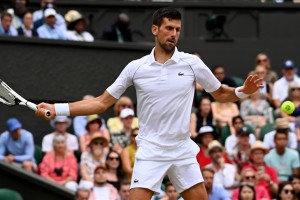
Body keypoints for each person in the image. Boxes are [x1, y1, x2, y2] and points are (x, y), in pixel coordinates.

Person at [36, 7, 263, 200]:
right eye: (169, 28)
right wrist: (57, 109)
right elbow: (100, 102)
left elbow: (222, 94)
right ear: (155, 30)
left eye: (177, 29)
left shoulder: (192, 63)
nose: (174, 34)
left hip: (182, 150)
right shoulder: (136, 68)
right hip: (150, 150)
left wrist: (243, 92)